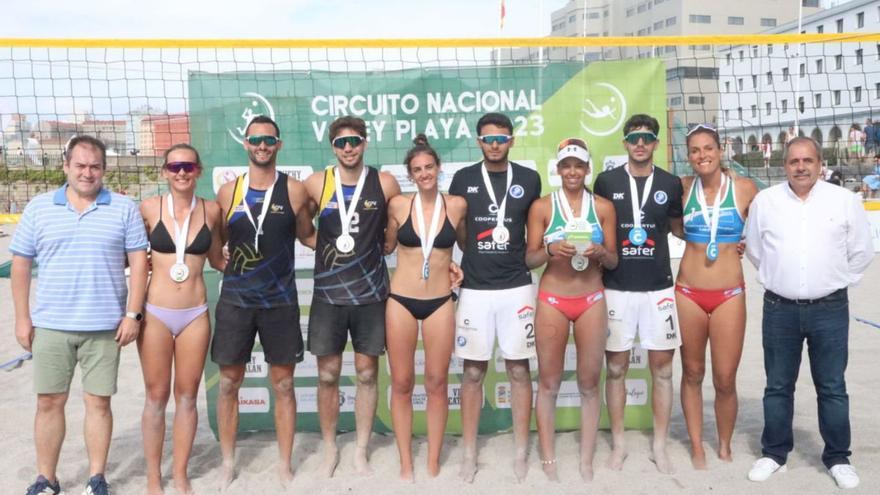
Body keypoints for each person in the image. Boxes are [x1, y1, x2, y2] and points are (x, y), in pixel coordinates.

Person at [11, 135, 148, 495]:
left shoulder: (123, 208)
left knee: (98, 403)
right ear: (66, 166)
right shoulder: (39, 208)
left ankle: (97, 477)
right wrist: (22, 318)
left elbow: (138, 263)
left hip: (105, 326)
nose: (88, 173)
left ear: (104, 169)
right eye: (81, 165)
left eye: (95, 166)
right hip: (51, 325)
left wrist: (132, 314)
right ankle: (46, 479)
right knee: (49, 402)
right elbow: (21, 265)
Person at [745, 137, 873, 490]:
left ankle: (837, 457)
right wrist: (783, 279)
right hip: (779, 308)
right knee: (778, 386)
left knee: (832, 387)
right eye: (793, 161)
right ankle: (774, 453)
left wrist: (834, 280)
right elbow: (755, 251)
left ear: (820, 164)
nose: (800, 167)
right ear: (784, 165)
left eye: (808, 161)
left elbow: (862, 251)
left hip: (829, 308)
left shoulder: (844, 201)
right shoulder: (766, 202)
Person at [212, 115, 315, 490]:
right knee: (228, 384)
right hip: (236, 302)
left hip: (280, 302)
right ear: (245, 143)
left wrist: (354, 248)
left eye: (269, 140)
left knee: (284, 385)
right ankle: (227, 462)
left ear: (279, 145)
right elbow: (215, 239)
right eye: (255, 139)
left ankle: (284, 464)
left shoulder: (296, 190)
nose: (262, 145)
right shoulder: (228, 192)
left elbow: (308, 236)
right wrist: (218, 263)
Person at [302, 116, 401, 477]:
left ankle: (360, 448)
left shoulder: (385, 182)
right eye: (342, 143)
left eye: (355, 141)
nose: (348, 148)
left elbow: (395, 229)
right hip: (329, 294)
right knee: (327, 375)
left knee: (366, 374)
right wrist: (328, 248)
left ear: (365, 143)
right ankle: (330, 447)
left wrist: (380, 246)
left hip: (371, 294)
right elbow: (302, 228)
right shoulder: (316, 183)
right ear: (332, 146)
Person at [449, 112, 542, 483]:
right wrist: (474, 256)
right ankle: (469, 453)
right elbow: (459, 230)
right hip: (475, 288)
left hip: (517, 286)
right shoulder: (464, 179)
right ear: (479, 141)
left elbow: (535, 231)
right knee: (473, 372)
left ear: (511, 140)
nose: (494, 144)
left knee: (519, 370)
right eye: (488, 139)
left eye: (501, 138)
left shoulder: (529, 179)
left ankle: (521, 452)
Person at [593, 114, 684, 474]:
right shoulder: (606, 181)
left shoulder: (671, 183)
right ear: (625, 143)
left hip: (658, 288)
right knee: (615, 368)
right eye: (634, 138)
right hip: (616, 288)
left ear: (656, 143)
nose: (640, 144)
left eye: (647, 137)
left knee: (662, 371)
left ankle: (659, 445)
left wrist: (725, 241)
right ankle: (618, 444)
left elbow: (680, 228)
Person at [525, 138, 618, 482]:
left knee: (589, 383)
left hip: (591, 297)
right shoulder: (542, 207)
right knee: (548, 382)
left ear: (587, 169)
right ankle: (548, 458)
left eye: (579, 165)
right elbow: (530, 258)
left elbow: (614, 258)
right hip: (553, 299)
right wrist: (550, 250)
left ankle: (586, 459)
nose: (573, 172)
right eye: (567, 166)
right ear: (558, 169)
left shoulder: (604, 207)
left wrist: (598, 252)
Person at [138, 144, 225, 494]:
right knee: (156, 397)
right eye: (174, 167)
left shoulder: (212, 210)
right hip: (156, 313)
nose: (181, 172)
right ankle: (154, 477)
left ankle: (180, 473)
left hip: (195, 314)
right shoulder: (148, 208)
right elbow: (129, 253)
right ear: (164, 172)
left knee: (187, 396)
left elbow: (219, 259)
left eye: (188, 166)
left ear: (199, 170)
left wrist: (253, 258)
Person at [674, 124, 758, 470]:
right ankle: (697, 446)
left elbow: (764, 230)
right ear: (688, 155)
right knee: (692, 373)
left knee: (725, 378)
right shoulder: (681, 188)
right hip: (688, 293)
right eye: (695, 150)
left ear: (721, 150)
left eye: (708, 148)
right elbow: (671, 226)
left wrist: (745, 242)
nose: (702, 155)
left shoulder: (744, 188)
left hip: (728, 294)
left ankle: (724, 444)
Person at [384, 135, 466, 481]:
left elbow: (467, 245)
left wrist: (459, 267)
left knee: (436, 382)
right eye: (417, 170)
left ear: (438, 168)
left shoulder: (457, 205)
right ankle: (405, 462)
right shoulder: (399, 206)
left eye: (429, 167)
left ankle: (432, 460)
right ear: (410, 175)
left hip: (439, 301)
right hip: (401, 299)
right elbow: (386, 246)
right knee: (402, 382)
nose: (424, 173)